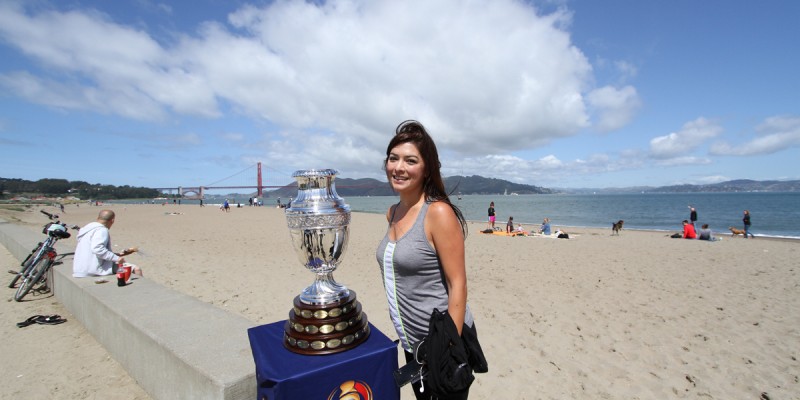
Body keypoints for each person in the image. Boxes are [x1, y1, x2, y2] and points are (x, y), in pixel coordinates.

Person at [376, 120, 482, 399]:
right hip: (412, 345)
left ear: (426, 169)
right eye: (393, 158)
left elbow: (457, 283)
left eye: (410, 160)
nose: (399, 167)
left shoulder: (438, 213)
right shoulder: (393, 212)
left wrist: (447, 349)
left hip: (440, 343)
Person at [73, 210, 141, 277]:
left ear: (98, 218)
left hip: (79, 269)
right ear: (112, 221)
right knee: (136, 269)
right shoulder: (101, 230)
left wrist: (120, 254)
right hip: (92, 269)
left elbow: (93, 252)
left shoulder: (87, 229)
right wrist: (117, 258)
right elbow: (97, 249)